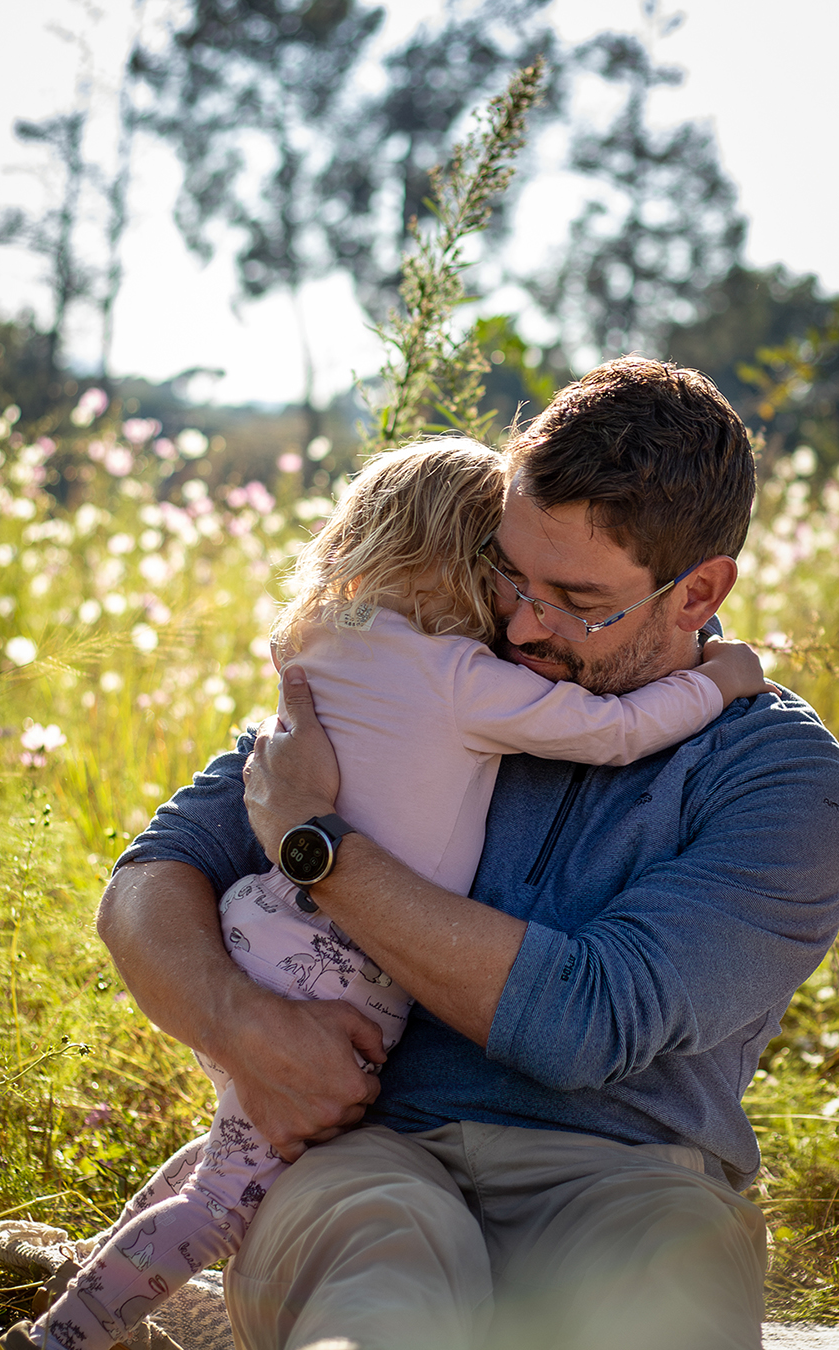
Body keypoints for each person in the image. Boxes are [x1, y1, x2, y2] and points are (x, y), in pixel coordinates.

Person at [96, 358, 839, 1350]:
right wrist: (240, 1023)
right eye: (510, 572)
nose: (523, 625)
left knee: (656, 1290)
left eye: (576, 600)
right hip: (375, 1155)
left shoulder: (781, 773)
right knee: (373, 1295)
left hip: (628, 1176)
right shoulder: (432, 664)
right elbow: (151, 878)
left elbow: (588, 1017)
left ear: (698, 589)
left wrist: (318, 847)